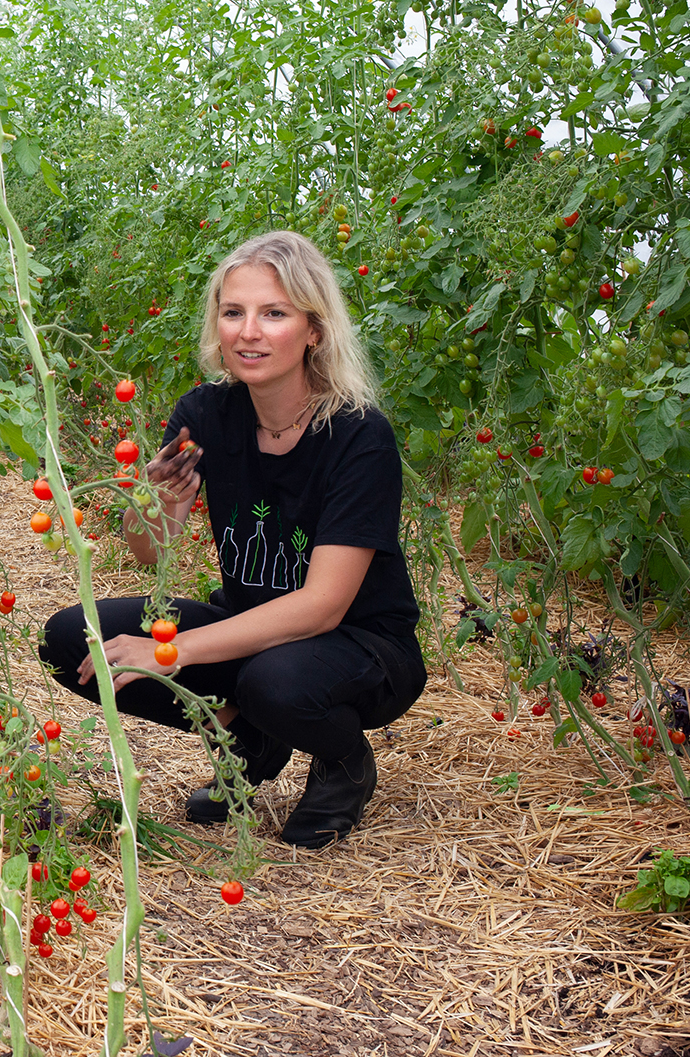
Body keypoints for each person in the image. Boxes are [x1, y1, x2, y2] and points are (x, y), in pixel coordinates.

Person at [38, 231, 425, 849]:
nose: (249, 332)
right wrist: (159, 500)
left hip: (362, 648)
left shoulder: (358, 436)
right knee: (71, 637)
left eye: (274, 314)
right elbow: (149, 553)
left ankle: (344, 763)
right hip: (250, 628)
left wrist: (169, 652)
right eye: (233, 312)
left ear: (314, 330)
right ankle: (249, 738)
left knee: (273, 681)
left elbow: (323, 605)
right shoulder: (206, 415)